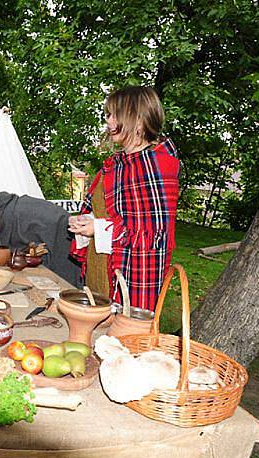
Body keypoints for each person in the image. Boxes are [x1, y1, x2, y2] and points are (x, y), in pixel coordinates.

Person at [69, 86, 180, 311]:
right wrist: (85, 222)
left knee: (122, 341)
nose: (108, 121)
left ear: (137, 120)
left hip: (133, 280)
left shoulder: (156, 166)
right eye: (108, 115)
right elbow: (107, 211)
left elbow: (151, 235)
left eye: (114, 115)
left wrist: (97, 229)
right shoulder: (116, 165)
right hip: (100, 272)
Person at [0, 194, 82, 286]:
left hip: (60, 229)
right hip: (54, 226)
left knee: (66, 277)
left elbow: (7, 249)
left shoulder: (7, 216)